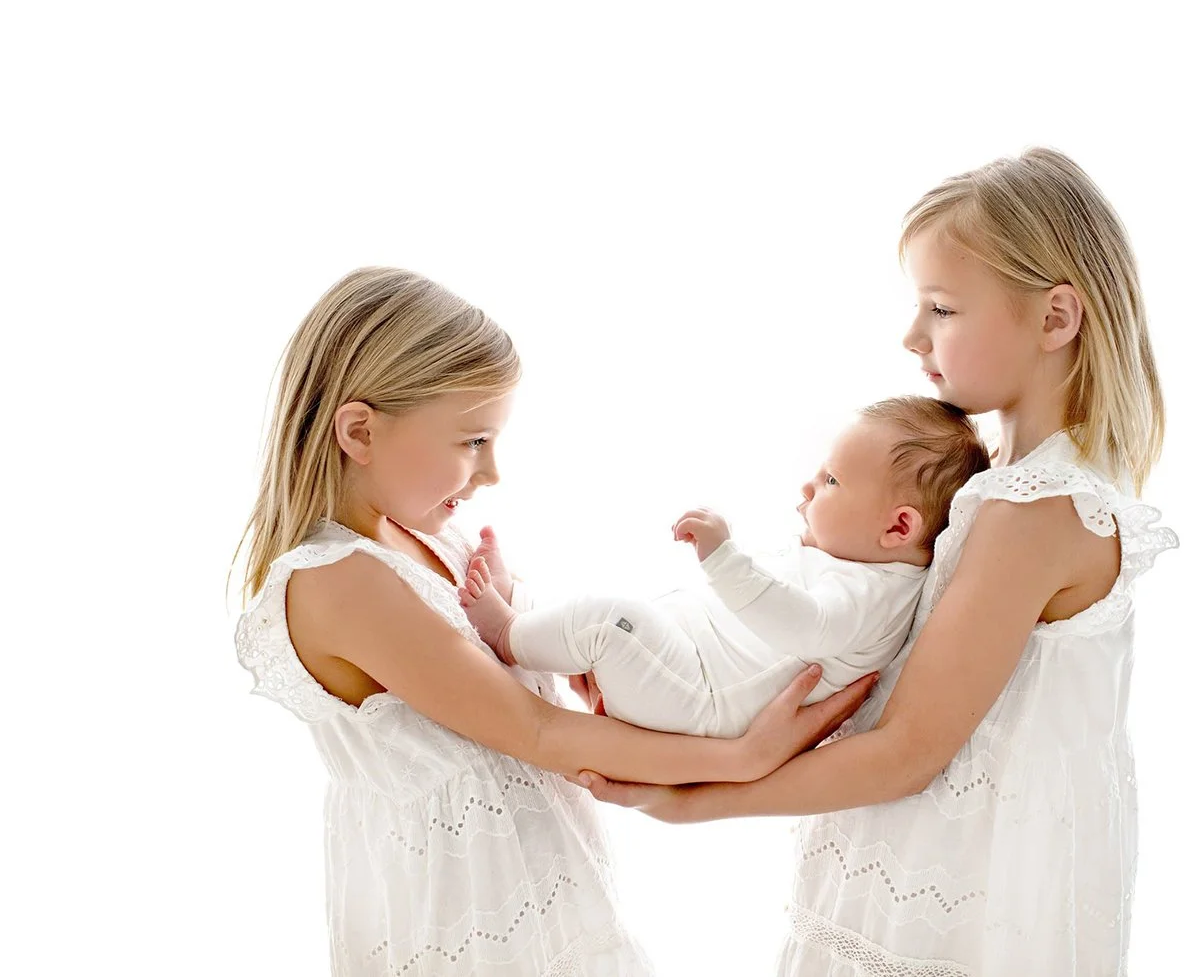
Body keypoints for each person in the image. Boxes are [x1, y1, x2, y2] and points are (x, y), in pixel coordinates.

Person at [576, 148, 1179, 975]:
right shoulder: (1014, 483)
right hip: (948, 864)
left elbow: (908, 750)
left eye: (941, 307)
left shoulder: (1034, 509)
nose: (911, 335)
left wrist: (696, 802)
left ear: (1054, 319)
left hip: (955, 900)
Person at [231, 266, 873, 975]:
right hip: (462, 915)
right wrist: (741, 758)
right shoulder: (340, 581)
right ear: (359, 431)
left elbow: (531, 690)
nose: (491, 472)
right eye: (472, 441)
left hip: (533, 884)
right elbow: (536, 732)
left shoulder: (426, 539)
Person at [460, 396, 989, 738]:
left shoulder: (871, 594)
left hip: (700, 700)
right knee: (621, 617)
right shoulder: (850, 564)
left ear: (898, 528)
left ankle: (508, 633)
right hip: (687, 673)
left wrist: (723, 558)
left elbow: (801, 622)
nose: (808, 487)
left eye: (832, 482)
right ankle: (524, 610)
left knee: (608, 620)